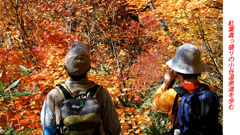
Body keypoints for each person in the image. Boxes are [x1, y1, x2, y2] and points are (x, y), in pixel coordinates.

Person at [41, 42, 121, 135]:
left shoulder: (54, 95)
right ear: (89, 68)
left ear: (65, 67)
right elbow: (114, 130)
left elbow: (47, 128)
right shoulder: (101, 93)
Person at [153, 44, 220, 135]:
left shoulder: (173, 94)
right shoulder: (209, 89)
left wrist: (166, 81)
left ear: (177, 72)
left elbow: (156, 102)